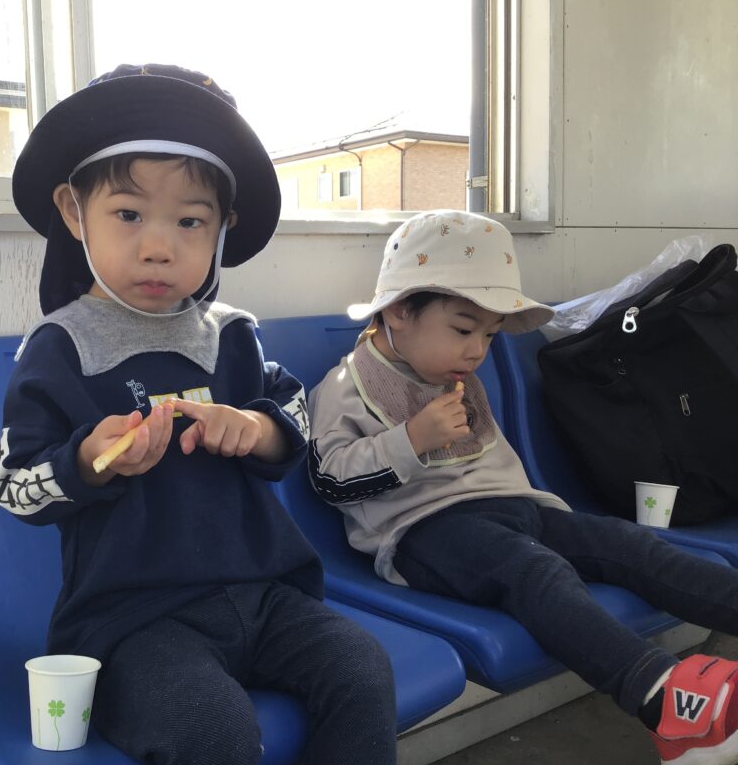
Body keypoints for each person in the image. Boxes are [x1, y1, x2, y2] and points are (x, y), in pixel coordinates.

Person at [0, 63, 397, 765]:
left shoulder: (232, 334)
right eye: (128, 214)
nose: (160, 246)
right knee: (214, 732)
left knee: (364, 670)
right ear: (73, 211)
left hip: (267, 597)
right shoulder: (60, 348)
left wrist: (259, 429)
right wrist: (86, 461)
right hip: (132, 622)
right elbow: (12, 485)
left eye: (190, 220)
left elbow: (294, 415)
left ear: (221, 230)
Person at [307, 208, 738, 765]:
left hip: (519, 509)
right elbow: (330, 478)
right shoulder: (346, 386)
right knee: (533, 570)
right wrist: (410, 440)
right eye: (463, 329)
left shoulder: (452, 373)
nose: (477, 351)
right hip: (424, 532)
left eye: (489, 335)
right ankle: (666, 702)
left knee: (630, 545)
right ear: (399, 310)